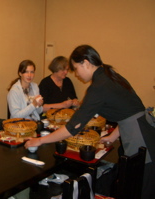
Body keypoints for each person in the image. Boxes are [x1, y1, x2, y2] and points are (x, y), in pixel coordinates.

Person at [25, 45, 155, 198]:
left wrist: (39, 141)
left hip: (139, 137)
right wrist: (112, 137)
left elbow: (72, 128)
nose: (76, 74)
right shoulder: (111, 76)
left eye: (75, 68)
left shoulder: (99, 86)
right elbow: (129, 111)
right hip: (145, 130)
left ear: (85, 63)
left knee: (141, 189)